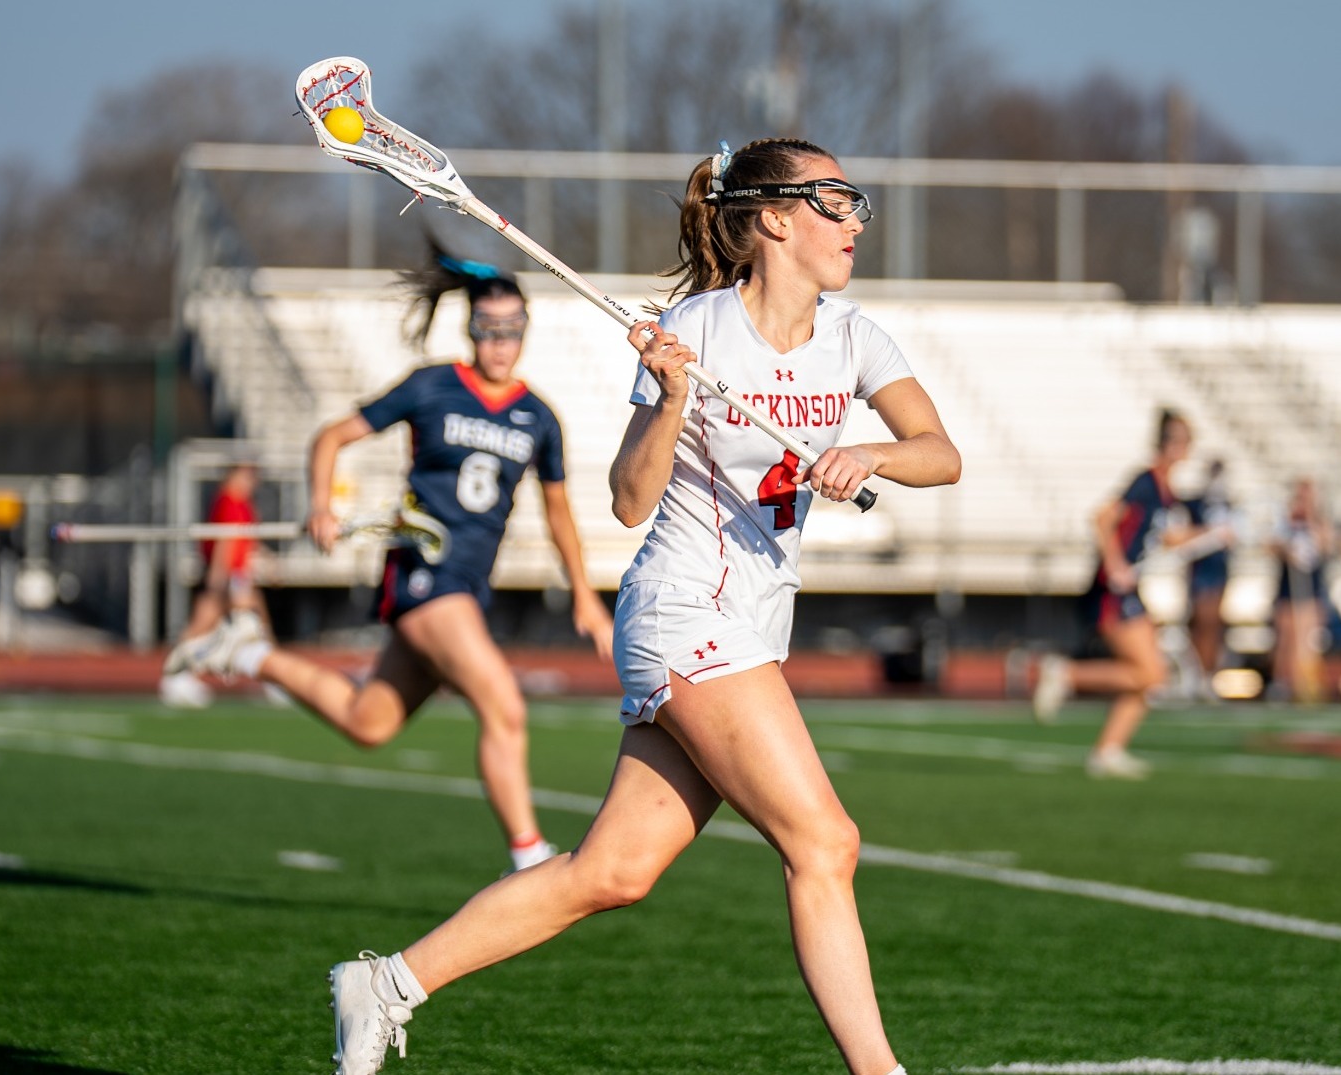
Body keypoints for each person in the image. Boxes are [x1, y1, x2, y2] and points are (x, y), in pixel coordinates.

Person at [320, 138, 960, 1075]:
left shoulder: (856, 336)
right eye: (834, 199)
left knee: (611, 872)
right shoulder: (694, 332)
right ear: (775, 217)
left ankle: (386, 983)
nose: (855, 217)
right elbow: (628, 498)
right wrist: (666, 399)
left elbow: (938, 452)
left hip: (752, 621)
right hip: (682, 611)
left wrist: (870, 454)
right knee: (825, 841)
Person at [167, 251, 613, 875]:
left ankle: (244, 652)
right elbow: (331, 438)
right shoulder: (431, 385)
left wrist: (587, 598)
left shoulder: (539, 418)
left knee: (368, 720)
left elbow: (559, 513)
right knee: (502, 703)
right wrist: (321, 505)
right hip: (423, 571)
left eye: (512, 330)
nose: (500, 343)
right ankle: (529, 855)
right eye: (488, 329)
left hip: (469, 584)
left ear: (525, 332)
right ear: (471, 330)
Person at [1032, 409, 1209, 778]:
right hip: (1112, 590)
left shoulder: (1165, 490)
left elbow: (1168, 538)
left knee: (1149, 676)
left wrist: (1214, 533)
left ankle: (1108, 751)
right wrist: (1114, 564)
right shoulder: (1146, 481)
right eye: (1185, 441)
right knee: (1152, 676)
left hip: (1130, 589)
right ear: (1172, 444)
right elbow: (1102, 518)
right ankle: (1068, 674)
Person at [158, 462, 270, 709]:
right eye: (247, 476)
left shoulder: (242, 504)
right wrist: (218, 579)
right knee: (203, 625)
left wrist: (267, 562)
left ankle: (272, 676)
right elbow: (225, 543)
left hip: (237, 574)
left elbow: (247, 542)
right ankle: (175, 675)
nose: (252, 481)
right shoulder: (229, 502)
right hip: (228, 575)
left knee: (255, 622)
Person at [1269, 476, 1332, 704]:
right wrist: (1287, 549)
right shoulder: (1286, 522)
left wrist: (1312, 523)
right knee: (1286, 637)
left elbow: (1326, 544)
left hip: (1311, 589)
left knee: (1307, 639)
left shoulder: (1319, 522)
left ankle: (1304, 682)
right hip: (1288, 588)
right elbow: (1271, 545)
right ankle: (1282, 681)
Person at [1185, 458, 1237, 689]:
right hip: (1200, 570)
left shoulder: (1230, 505)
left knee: (1214, 623)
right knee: (1200, 622)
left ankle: (1208, 673)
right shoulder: (1197, 504)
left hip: (1218, 569)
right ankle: (1197, 673)